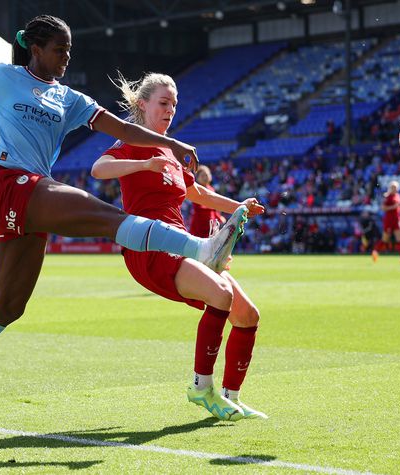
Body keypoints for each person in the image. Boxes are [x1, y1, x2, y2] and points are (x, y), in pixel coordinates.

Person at [0, 15, 240, 419]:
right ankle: (200, 248)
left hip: (31, 199)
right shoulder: (3, 77)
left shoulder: (70, 99)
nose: (66, 57)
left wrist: (170, 142)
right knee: (106, 216)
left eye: (70, 50)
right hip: (9, 185)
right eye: (59, 49)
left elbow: (123, 131)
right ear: (35, 49)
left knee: (8, 307)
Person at [92, 72, 267, 421]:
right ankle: (201, 388)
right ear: (142, 105)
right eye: (163, 102)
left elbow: (198, 194)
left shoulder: (172, 151)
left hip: (183, 244)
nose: (171, 109)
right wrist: (144, 163)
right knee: (221, 296)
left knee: (247, 316)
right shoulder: (131, 142)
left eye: (174, 103)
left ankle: (231, 396)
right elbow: (99, 169)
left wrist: (240, 207)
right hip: (149, 248)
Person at [372, 180, 400, 264]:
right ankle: (375, 251)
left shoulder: (398, 196)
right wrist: (393, 207)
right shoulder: (387, 197)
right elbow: (383, 208)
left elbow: (398, 206)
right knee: (385, 239)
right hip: (389, 220)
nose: (394, 189)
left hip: (397, 219)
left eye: (395, 187)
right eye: (392, 187)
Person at [189, 165, 225, 238]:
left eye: (206, 175)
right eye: (202, 176)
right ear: (197, 178)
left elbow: (214, 209)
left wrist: (219, 217)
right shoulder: (196, 189)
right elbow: (199, 206)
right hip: (199, 223)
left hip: (211, 223)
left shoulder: (212, 189)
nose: (205, 177)